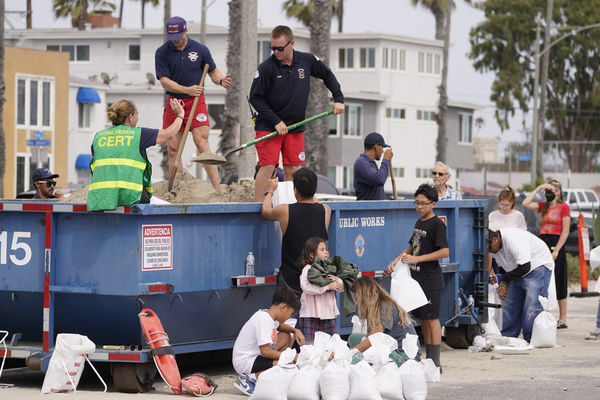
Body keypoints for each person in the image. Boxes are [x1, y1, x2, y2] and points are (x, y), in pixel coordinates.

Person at [249, 25, 345, 202]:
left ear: (291, 43)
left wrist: (338, 98)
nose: (275, 52)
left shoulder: (306, 61)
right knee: (268, 168)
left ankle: (292, 209)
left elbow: (328, 75)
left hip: (295, 127)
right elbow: (255, 98)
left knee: (293, 171)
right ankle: (257, 209)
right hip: (270, 127)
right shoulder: (266, 68)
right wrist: (276, 121)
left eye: (280, 48)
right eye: (273, 48)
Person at [155, 16, 231, 193]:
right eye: (172, 37)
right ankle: (176, 189)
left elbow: (213, 71)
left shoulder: (200, 50)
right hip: (175, 102)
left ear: (186, 31)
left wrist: (221, 80)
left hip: (196, 101)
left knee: (201, 142)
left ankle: (217, 188)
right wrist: (186, 90)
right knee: (173, 148)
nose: (175, 41)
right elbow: (165, 81)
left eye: (178, 36)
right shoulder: (162, 52)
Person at [387, 183, 448, 369]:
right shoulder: (419, 222)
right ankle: (428, 359)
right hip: (416, 280)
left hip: (431, 279)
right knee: (423, 319)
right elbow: (411, 245)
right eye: (416, 203)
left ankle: (435, 361)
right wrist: (397, 260)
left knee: (432, 319)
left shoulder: (437, 224)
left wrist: (418, 258)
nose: (419, 207)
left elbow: (444, 251)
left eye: (423, 203)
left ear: (433, 204)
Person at [87, 98, 184, 212]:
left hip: (100, 198)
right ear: (130, 116)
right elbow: (170, 133)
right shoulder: (138, 135)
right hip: (130, 197)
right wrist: (180, 115)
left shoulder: (99, 137)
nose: (138, 119)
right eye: (137, 114)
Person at [261, 168, 331, 302]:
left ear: (295, 190)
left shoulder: (285, 210)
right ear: (315, 189)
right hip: (314, 279)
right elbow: (316, 203)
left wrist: (270, 190)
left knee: (288, 321)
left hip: (290, 280)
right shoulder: (325, 211)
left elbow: (265, 212)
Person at [231, 286, 304, 396]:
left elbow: (282, 327)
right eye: (290, 313)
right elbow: (266, 352)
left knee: (286, 335)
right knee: (287, 364)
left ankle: (271, 372)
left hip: (255, 356)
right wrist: (291, 357)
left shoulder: (268, 315)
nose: (289, 317)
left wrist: (296, 330)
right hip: (245, 362)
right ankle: (249, 378)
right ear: (283, 307)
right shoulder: (263, 320)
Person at [487, 228, 553, 342]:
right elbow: (503, 268)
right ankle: (509, 337)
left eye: (489, 247)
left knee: (532, 304)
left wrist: (501, 278)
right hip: (518, 268)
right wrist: (503, 284)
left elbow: (525, 267)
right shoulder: (496, 249)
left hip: (537, 265)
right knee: (510, 303)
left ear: (495, 239)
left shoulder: (513, 240)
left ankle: (530, 338)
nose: (490, 251)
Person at [522, 179, 570, 329]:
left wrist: (556, 250)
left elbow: (566, 230)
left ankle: (563, 318)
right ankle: (541, 314)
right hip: (542, 241)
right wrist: (539, 188)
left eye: (555, 190)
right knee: (542, 277)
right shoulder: (543, 206)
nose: (552, 193)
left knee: (559, 278)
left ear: (559, 192)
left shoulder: (564, 207)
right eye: (549, 190)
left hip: (557, 242)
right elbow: (525, 203)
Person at [348, 276, 419, 353]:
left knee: (359, 357)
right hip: (392, 347)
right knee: (354, 338)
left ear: (365, 296)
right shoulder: (379, 305)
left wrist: (350, 353)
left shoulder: (384, 307)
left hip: (403, 354)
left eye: (356, 298)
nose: (356, 303)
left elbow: (374, 338)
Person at [297, 237, 343, 343]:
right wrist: (326, 287)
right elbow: (306, 287)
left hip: (328, 315)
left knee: (331, 346)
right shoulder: (308, 269)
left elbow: (341, 287)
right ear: (311, 254)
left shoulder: (330, 268)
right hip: (311, 314)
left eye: (326, 249)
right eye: (322, 250)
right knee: (310, 347)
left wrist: (337, 280)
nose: (326, 252)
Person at [488, 185, 527, 279]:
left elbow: (523, 235)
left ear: (512, 202)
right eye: (501, 205)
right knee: (496, 282)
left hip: (511, 256)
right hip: (495, 255)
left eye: (507, 205)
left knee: (508, 281)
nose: (504, 207)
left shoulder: (518, 216)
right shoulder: (493, 215)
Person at [353, 132, 393, 200]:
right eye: (382, 147)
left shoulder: (370, 163)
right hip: (366, 209)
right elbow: (379, 179)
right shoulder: (361, 163)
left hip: (374, 209)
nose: (382, 151)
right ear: (376, 147)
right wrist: (385, 159)